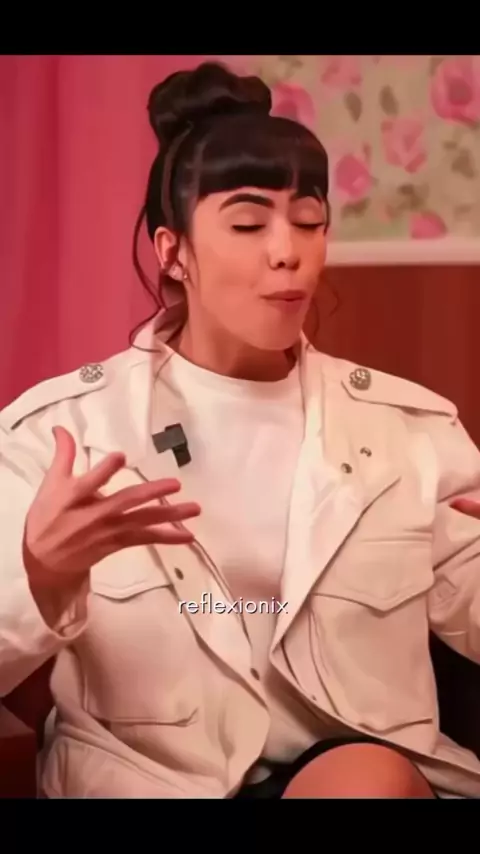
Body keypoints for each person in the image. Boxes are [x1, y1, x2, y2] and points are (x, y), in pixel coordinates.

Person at [1, 61, 480, 800]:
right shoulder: (61, 432)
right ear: (173, 252)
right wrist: (41, 575)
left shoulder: (408, 431)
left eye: (310, 222)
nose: (288, 251)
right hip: (152, 789)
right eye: (249, 224)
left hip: (353, 779)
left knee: (367, 784)